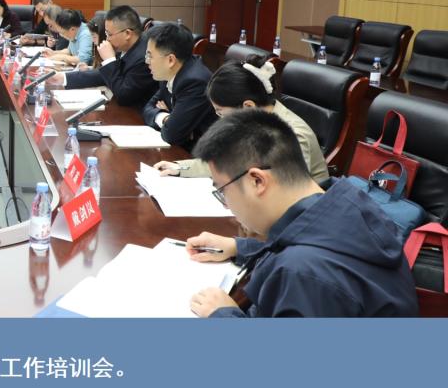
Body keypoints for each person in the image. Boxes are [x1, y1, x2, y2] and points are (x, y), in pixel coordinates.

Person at [184, 109, 418, 317]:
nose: (226, 204)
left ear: (257, 181)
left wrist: (223, 315)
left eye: (223, 191)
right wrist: (239, 247)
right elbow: (309, 241)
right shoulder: (343, 198)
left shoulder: (302, 273)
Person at [154, 55, 329, 183]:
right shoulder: (252, 121)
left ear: (248, 106)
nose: (220, 118)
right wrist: (180, 168)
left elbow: (287, 195)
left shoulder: (292, 136)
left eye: (221, 112)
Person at [48, 5, 157, 107]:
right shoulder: (124, 46)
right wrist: (64, 77)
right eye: (106, 34)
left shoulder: (144, 56)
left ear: (127, 34)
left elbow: (124, 96)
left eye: (109, 34)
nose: (107, 39)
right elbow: (103, 75)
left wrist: (109, 61)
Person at [141, 22, 217, 149]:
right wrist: (166, 117)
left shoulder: (195, 81)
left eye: (150, 56)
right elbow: (147, 109)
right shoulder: (170, 72)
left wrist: (171, 121)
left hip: (203, 153)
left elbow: (172, 134)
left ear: (170, 60)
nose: (146, 61)